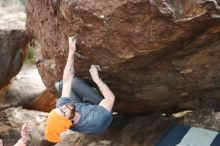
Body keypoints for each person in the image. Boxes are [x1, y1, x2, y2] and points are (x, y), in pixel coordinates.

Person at [43, 37, 115, 145]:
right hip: (100, 110)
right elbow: (110, 98)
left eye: (59, 108)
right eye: (63, 112)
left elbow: (67, 79)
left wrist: (71, 51)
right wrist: (96, 79)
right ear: (68, 122)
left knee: (72, 82)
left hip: (81, 109)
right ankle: (62, 87)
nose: (63, 107)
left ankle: (61, 86)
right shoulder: (95, 119)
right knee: (76, 84)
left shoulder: (63, 109)